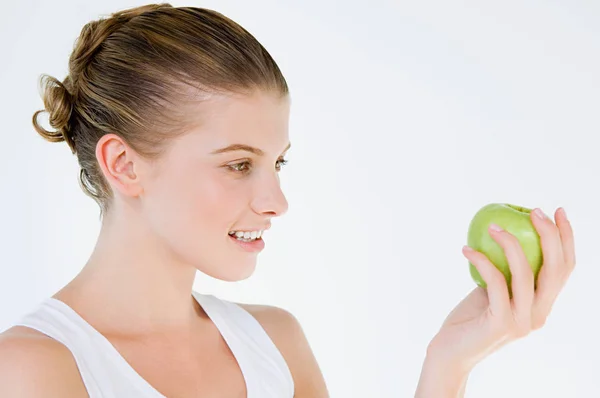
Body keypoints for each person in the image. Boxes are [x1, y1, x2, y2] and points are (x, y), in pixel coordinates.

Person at [0, 3, 576, 397]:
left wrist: (449, 361)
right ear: (123, 165)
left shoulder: (274, 341)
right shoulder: (35, 369)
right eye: (238, 164)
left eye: (277, 163)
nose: (276, 200)